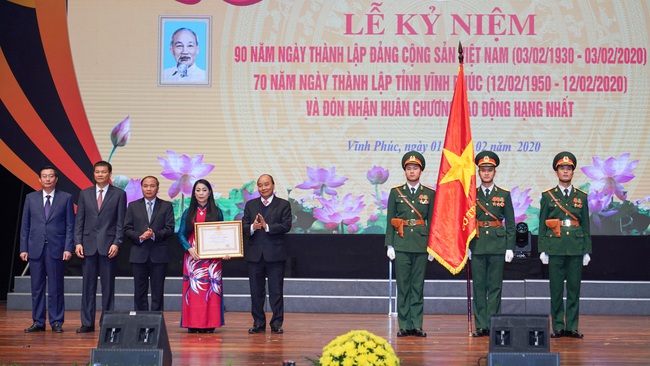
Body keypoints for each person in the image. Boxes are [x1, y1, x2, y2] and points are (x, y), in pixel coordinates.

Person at [538, 151, 592, 339]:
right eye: (562, 168)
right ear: (556, 171)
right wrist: (543, 249)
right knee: (556, 289)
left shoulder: (581, 197)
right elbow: (542, 224)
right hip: (555, 247)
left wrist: (587, 250)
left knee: (574, 289)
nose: (566, 171)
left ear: (573, 172)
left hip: (576, 247)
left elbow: (585, 224)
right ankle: (558, 326)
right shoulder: (548, 196)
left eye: (569, 168)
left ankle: (572, 327)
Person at [385, 151, 435, 337]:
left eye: (415, 168)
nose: (412, 171)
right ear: (405, 171)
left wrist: (432, 246)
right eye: (409, 168)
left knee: (418, 286)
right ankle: (404, 325)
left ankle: (417, 324)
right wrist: (390, 245)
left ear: (420, 171)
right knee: (403, 285)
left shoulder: (429, 193)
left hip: (421, 244)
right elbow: (390, 219)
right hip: (402, 243)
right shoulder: (396, 192)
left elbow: (434, 221)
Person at [19, 166, 75, 333]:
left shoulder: (66, 198)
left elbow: (70, 225)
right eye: (44, 176)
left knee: (56, 287)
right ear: (39, 179)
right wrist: (23, 248)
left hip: (56, 249)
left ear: (56, 179)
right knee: (36, 287)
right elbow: (25, 225)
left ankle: (57, 321)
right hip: (35, 248)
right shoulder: (31, 198)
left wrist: (68, 247)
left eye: (51, 176)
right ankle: (38, 322)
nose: (48, 179)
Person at [74, 161, 126, 333]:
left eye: (104, 172)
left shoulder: (119, 194)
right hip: (87, 246)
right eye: (97, 172)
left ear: (110, 174)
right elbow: (79, 221)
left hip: (109, 246)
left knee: (108, 287)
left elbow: (121, 222)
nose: (100, 175)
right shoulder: (84, 194)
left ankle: (107, 322)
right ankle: (87, 323)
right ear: (93, 174)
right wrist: (78, 242)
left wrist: (117, 242)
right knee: (87, 287)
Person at [468, 151, 516, 337]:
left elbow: (510, 223)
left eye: (489, 170)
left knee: (495, 287)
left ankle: (494, 323)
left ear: (495, 172)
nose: (486, 173)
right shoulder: (472, 195)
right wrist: (467, 246)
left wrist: (509, 247)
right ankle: (481, 325)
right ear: (478, 172)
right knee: (479, 287)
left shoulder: (503, 194)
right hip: (478, 245)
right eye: (483, 170)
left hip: (497, 245)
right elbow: (466, 221)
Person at [242, 174, 292, 334]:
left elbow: (286, 226)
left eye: (266, 184)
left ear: (273, 185)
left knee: (276, 290)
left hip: (275, 254)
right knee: (256, 291)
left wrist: (267, 226)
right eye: (260, 185)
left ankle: (277, 323)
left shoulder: (283, 204)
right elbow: (243, 226)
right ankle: (258, 322)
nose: (263, 188)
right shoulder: (250, 205)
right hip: (255, 255)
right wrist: (253, 227)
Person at [178, 179, 229, 333]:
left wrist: (226, 251)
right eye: (198, 190)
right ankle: (193, 323)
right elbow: (180, 234)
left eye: (204, 190)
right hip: (193, 257)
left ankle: (210, 323)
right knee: (194, 290)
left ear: (210, 192)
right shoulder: (188, 212)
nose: (201, 193)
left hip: (213, 258)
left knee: (211, 289)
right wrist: (188, 248)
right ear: (194, 193)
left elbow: (223, 234)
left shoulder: (217, 211)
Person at [124, 176, 175, 312]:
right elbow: (127, 229)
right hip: (139, 254)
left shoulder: (166, 206)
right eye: (145, 186)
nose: (149, 189)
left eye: (152, 186)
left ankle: (156, 321)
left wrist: (154, 235)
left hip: (159, 255)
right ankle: (141, 321)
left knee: (157, 292)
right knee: (139, 292)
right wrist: (140, 236)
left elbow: (170, 229)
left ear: (157, 188)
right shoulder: (133, 206)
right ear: (141, 188)